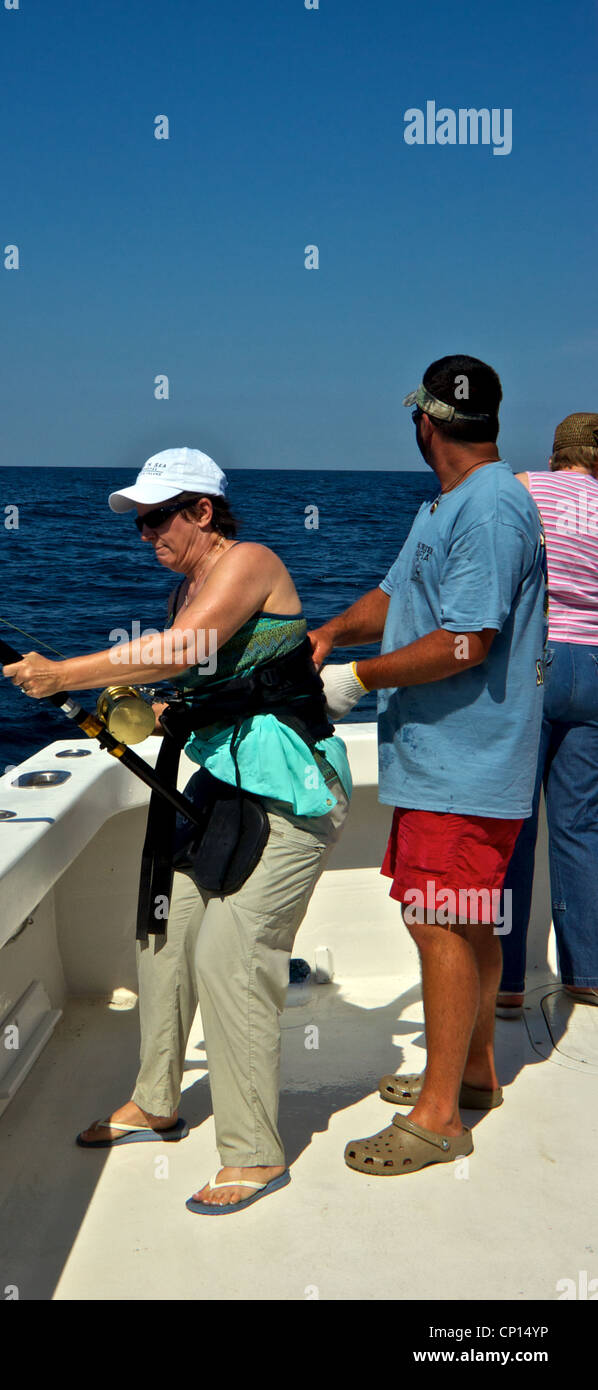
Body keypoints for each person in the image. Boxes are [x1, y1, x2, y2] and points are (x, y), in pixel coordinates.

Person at [4, 446, 351, 1213]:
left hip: (292, 793)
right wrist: (123, 712)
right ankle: (157, 1101)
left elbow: (182, 653)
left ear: (203, 511)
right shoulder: (186, 591)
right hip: (219, 788)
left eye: (159, 516)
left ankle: (256, 1155)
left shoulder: (249, 561)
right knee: (161, 936)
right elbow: (187, 695)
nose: (145, 533)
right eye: (139, 520)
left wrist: (64, 673)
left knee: (233, 958)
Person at [313, 356, 546, 1175]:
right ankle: (473, 1071)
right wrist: (333, 634)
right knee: (468, 918)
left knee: (439, 919)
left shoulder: (489, 510)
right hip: (445, 763)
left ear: (425, 422)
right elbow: (393, 597)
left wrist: (358, 679)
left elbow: (464, 641)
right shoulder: (449, 505)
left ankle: (439, 1117)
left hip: (465, 763)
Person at [498, 414, 598, 1012]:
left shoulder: (523, 488)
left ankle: (507, 981)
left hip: (534, 663)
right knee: (581, 826)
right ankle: (586, 972)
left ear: (557, 451)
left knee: (515, 821)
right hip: (594, 669)